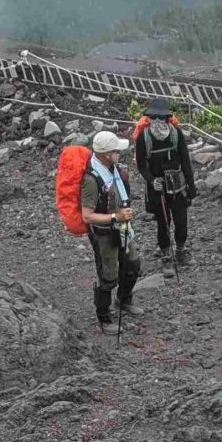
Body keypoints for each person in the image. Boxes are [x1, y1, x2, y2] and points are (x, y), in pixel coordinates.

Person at [80, 129, 141, 331]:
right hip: (104, 233)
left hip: (122, 227)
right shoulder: (91, 180)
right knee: (108, 275)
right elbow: (87, 216)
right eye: (116, 151)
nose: (119, 153)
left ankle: (124, 300)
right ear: (107, 154)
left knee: (132, 264)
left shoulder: (113, 169)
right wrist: (115, 217)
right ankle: (104, 318)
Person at [135, 103, 196, 268]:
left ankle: (181, 250)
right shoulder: (143, 137)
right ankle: (166, 255)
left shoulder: (176, 134)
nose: (157, 120)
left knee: (181, 220)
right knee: (163, 222)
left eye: (160, 117)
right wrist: (151, 180)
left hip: (178, 184)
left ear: (167, 118)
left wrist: (191, 186)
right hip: (158, 187)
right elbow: (141, 165)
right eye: (153, 117)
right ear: (148, 118)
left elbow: (185, 160)